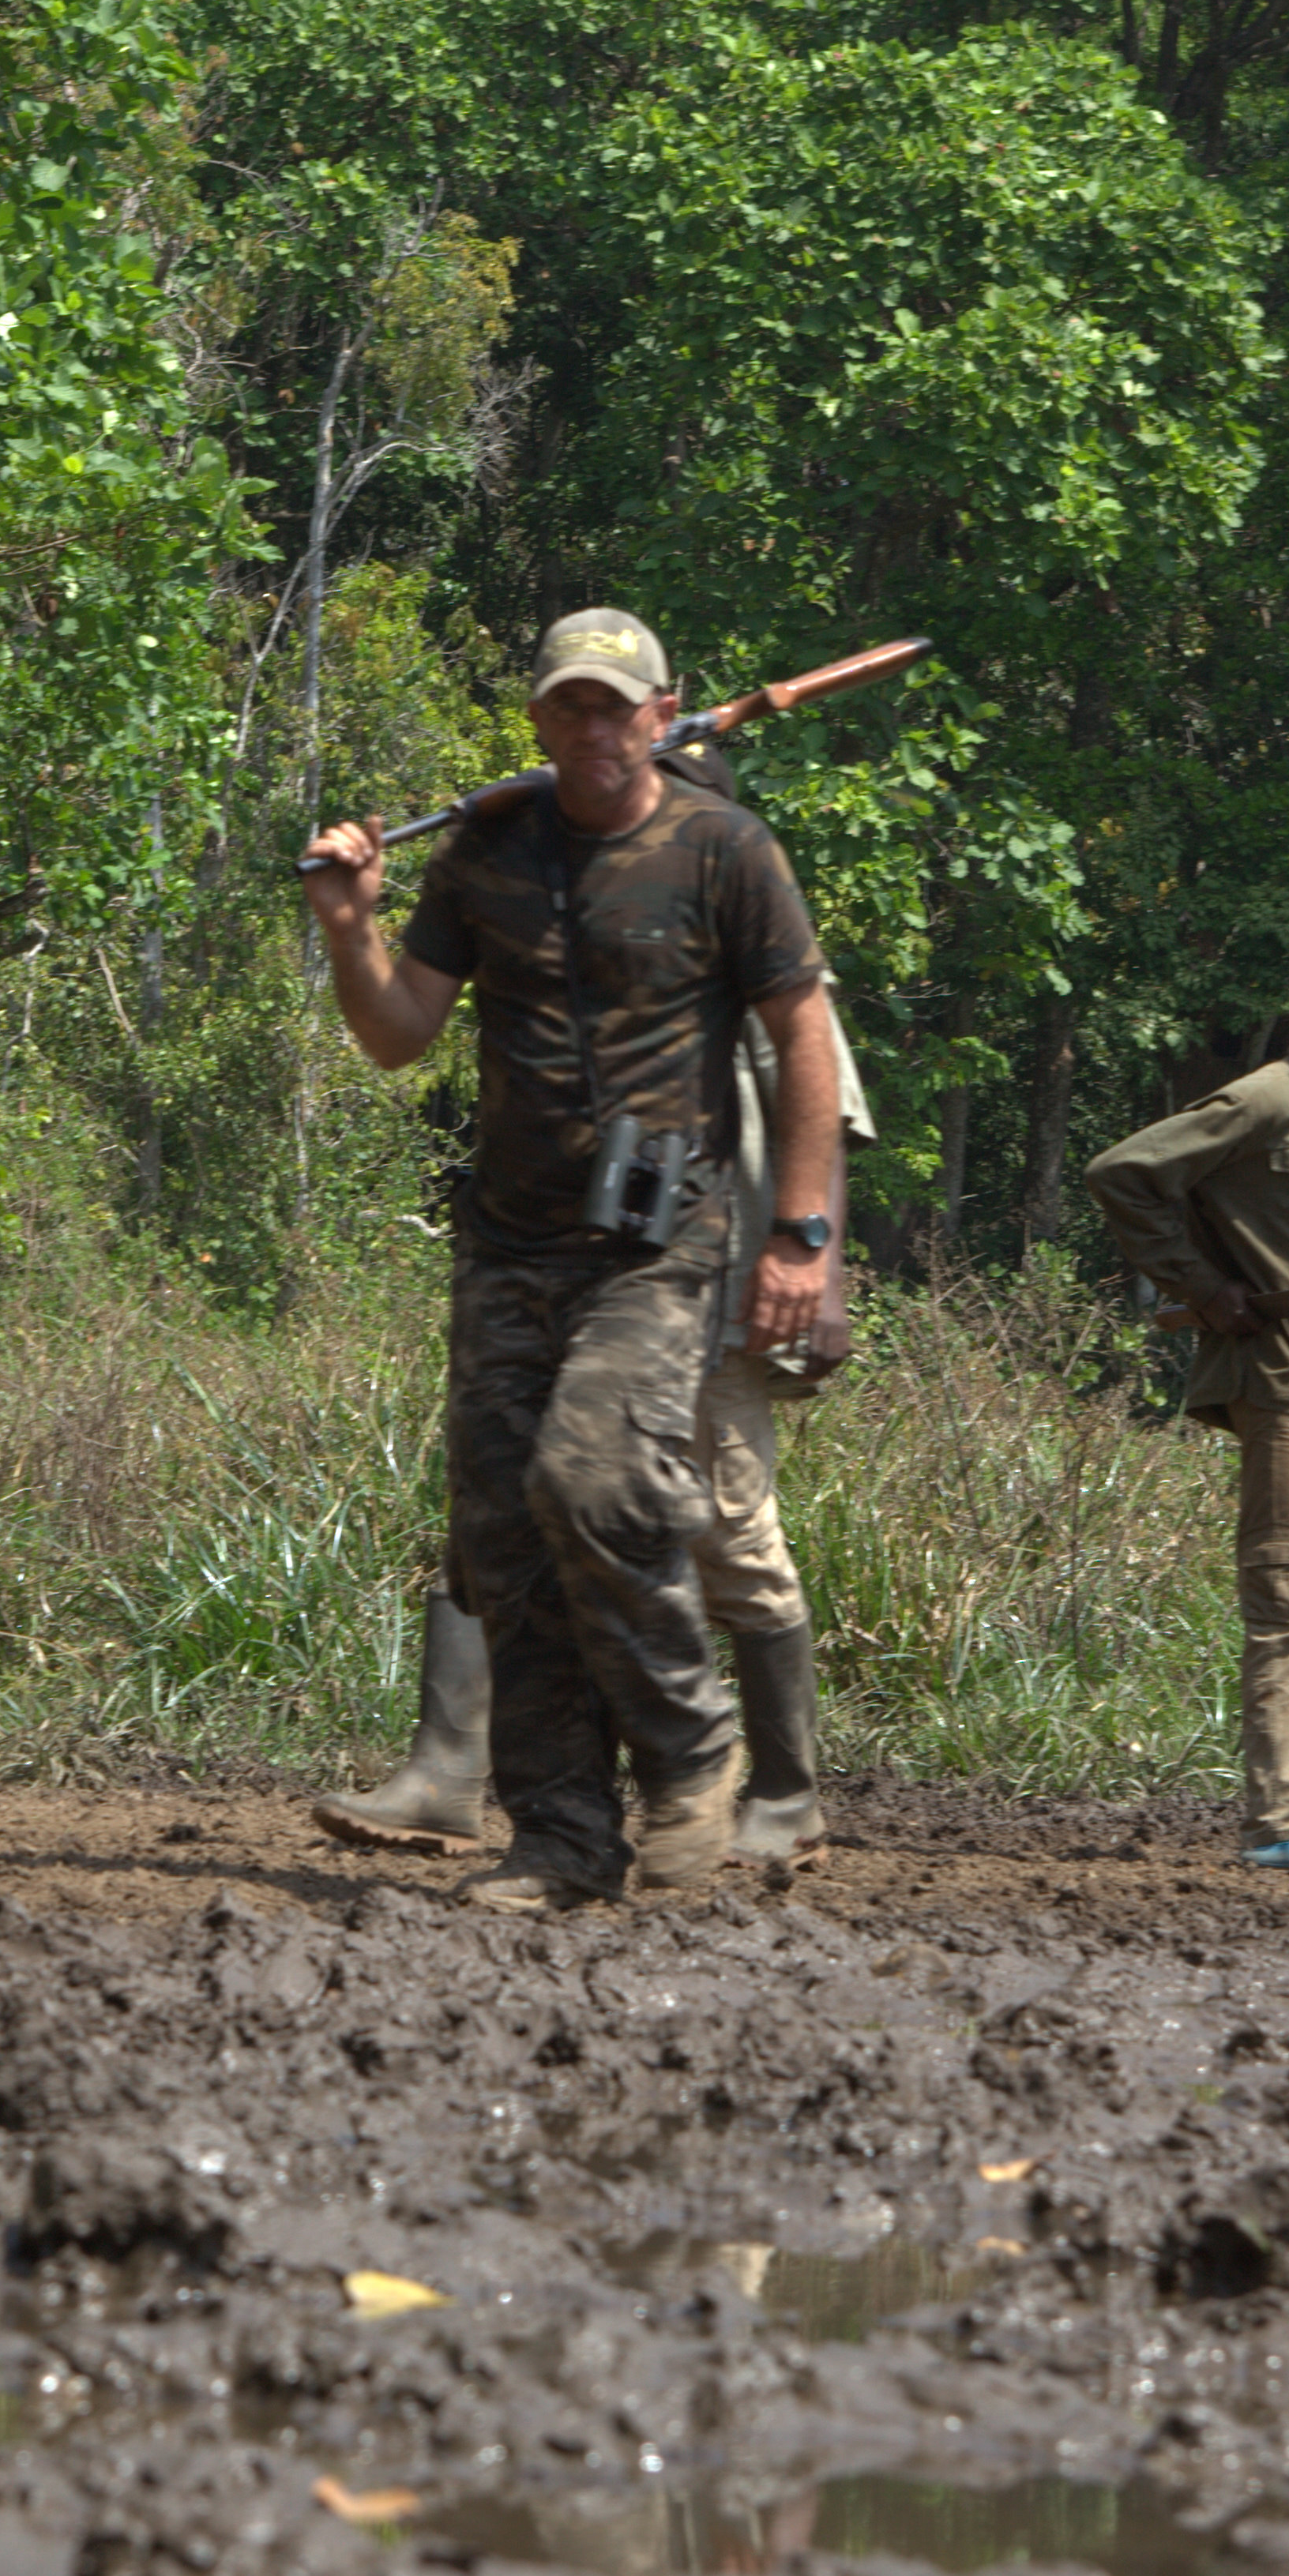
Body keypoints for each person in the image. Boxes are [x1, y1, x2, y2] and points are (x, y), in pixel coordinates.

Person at [302, 606, 839, 1906]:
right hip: (505, 1234)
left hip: (658, 1240)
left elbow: (801, 1036)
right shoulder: (488, 850)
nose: (593, 728)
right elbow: (397, 1032)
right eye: (569, 706)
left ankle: (686, 1746)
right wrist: (347, 925)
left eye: (618, 705)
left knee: (596, 1476)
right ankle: (556, 1835)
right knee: (502, 1535)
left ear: (662, 715)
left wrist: (801, 1237)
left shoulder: (723, 849)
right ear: (537, 718)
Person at [313, 903, 877, 1869]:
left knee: (727, 1531)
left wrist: (814, 1273)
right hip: (566, 1283)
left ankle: (785, 1794)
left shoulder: (735, 908)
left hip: (717, 1284)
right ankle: (445, 1770)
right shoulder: (565, 913)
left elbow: (820, 1113)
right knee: (495, 1509)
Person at [1084, 926, 1289, 1874]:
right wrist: (1201, 1286)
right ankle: (1282, 1823)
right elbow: (1124, 1173)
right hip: (1286, 1392)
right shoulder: (1269, 1098)